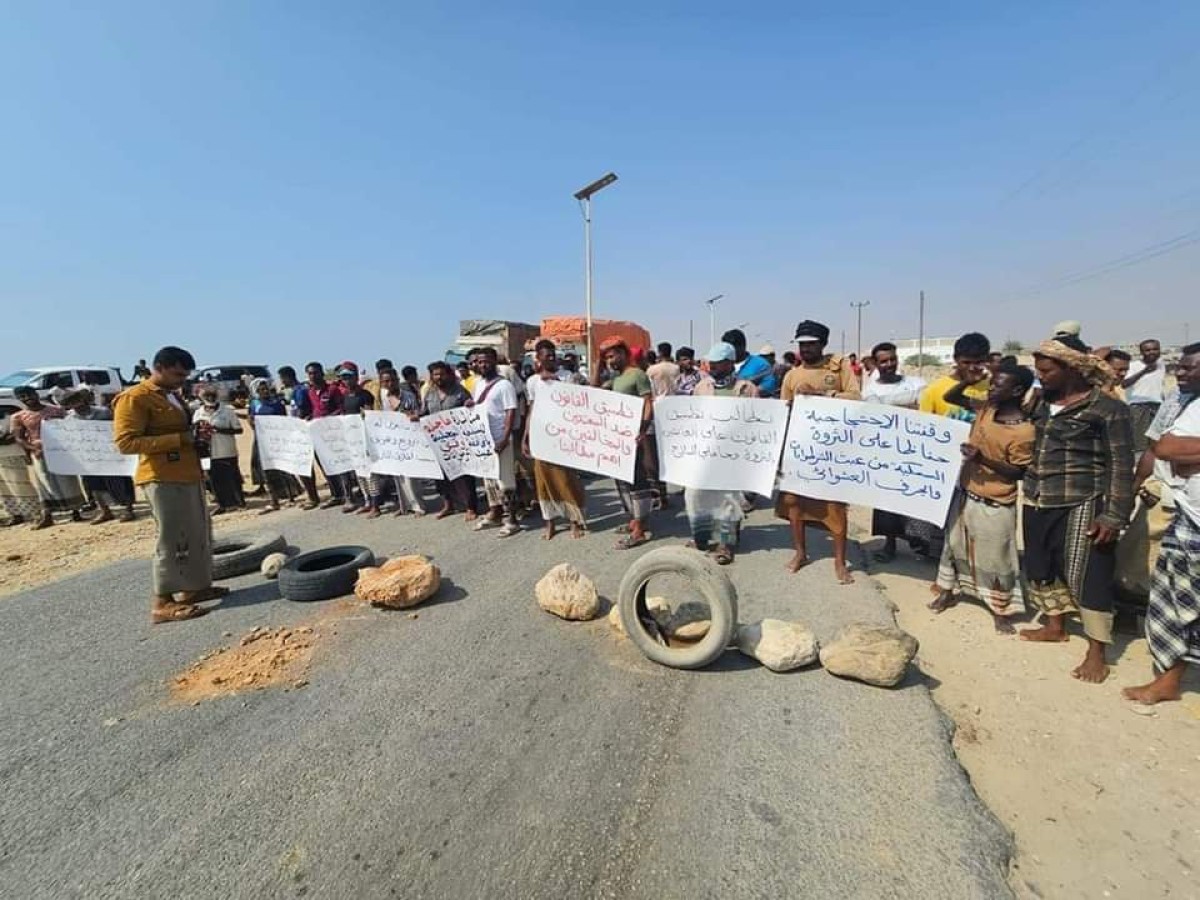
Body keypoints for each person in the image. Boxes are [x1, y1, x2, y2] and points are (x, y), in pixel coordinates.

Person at [1020, 337, 1134, 683]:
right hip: (1039, 495)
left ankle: (1096, 652)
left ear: (1071, 369)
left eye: (1047, 370)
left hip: (1083, 500)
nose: (1040, 377)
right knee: (1042, 565)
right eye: (1038, 370)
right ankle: (1055, 626)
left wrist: (1114, 515)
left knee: (1090, 574)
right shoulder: (1042, 400)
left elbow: (1120, 464)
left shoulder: (1108, 409)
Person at [113, 346, 228, 623]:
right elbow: (126, 443)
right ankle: (162, 602)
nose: (182, 380)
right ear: (160, 367)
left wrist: (197, 439)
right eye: (177, 374)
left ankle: (193, 589)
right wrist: (180, 439)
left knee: (197, 533)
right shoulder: (135, 398)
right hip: (161, 477)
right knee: (172, 539)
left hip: (188, 473)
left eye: (185, 375)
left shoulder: (172, 396)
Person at [930, 363, 1036, 633]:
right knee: (954, 545)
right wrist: (967, 380)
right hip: (966, 491)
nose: (991, 389)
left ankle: (1000, 608)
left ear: (1017, 391)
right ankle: (947, 590)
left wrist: (983, 459)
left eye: (998, 385)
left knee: (997, 555)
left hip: (996, 499)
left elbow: (1019, 471)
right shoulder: (985, 409)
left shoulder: (1023, 430)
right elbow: (951, 398)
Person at [1124, 343, 1200, 704]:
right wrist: (1136, 484)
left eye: (1190, 368)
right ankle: (1169, 676)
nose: (1181, 373)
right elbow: (1165, 448)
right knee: (1171, 594)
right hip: (1183, 509)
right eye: (1179, 367)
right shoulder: (1179, 402)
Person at [777, 320, 860, 584]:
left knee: (835, 506)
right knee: (794, 504)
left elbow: (856, 398)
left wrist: (823, 394)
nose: (807, 349)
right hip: (800, 448)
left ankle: (839, 561)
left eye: (812, 344)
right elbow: (782, 411)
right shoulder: (792, 375)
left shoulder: (839, 367)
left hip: (833, 449)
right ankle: (800, 553)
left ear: (822, 344)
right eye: (803, 345)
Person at [685, 342, 757, 564]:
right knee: (695, 494)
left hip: (733, 453)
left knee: (728, 498)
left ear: (729, 364)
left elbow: (756, 420)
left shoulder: (747, 389)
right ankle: (702, 536)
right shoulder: (702, 387)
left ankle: (725, 544)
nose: (712, 367)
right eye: (711, 363)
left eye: (717, 364)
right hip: (706, 452)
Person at [863, 342, 934, 561]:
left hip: (915, 452)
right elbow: (876, 413)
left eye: (892, 359)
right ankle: (889, 544)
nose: (889, 364)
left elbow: (924, 408)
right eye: (883, 361)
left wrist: (890, 406)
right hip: (885, 453)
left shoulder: (916, 382)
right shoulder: (870, 388)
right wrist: (908, 405)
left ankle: (921, 545)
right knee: (886, 502)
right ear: (875, 363)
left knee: (917, 499)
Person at [522, 340, 588, 539]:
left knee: (565, 479)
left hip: (563, 435)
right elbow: (531, 409)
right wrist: (526, 437)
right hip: (541, 435)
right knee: (543, 482)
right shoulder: (532, 381)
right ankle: (549, 522)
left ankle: (574, 521)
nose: (550, 358)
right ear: (538, 358)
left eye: (553, 355)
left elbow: (576, 403)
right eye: (546, 355)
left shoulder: (567, 377)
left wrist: (554, 382)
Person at [597, 339, 656, 549]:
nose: (609, 361)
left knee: (636, 481)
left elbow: (649, 403)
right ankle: (634, 519)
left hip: (633, 436)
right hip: (617, 438)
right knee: (622, 480)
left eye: (612, 356)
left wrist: (642, 429)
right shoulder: (617, 378)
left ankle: (640, 528)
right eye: (606, 357)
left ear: (623, 353)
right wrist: (598, 363)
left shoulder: (637, 375)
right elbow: (594, 389)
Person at [10, 386, 84, 529]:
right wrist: (33, 449)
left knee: (68, 480)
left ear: (36, 394)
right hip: (39, 453)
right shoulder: (18, 417)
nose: (27, 398)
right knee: (45, 482)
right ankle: (48, 515)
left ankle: (75, 512)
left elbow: (69, 428)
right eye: (22, 397)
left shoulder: (56, 410)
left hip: (60, 451)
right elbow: (19, 439)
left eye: (29, 394)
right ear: (18, 399)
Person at [60, 387, 137, 523]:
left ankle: (128, 509)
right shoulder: (69, 419)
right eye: (71, 402)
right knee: (94, 484)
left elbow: (116, 427)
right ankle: (105, 511)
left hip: (109, 452)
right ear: (68, 405)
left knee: (118, 481)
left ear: (83, 399)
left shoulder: (104, 412)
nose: (76, 404)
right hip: (88, 456)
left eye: (77, 400)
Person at [362, 367, 428, 519]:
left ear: (398, 380)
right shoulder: (380, 398)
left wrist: (412, 416)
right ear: (381, 383)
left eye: (392, 380)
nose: (389, 383)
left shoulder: (408, 395)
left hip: (408, 439)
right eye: (386, 381)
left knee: (411, 476)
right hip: (390, 441)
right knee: (397, 476)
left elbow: (416, 412)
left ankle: (418, 506)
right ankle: (403, 506)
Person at [469, 347, 520, 537]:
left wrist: (504, 439)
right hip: (484, 440)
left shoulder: (504, 386)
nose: (483, 365)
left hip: (500, 439)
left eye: (487, 361)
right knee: (489, 480)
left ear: (494, 362)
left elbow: (510, 412)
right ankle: (495, 513)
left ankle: (512, 520)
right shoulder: (478, 383)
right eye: (480, 362)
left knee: (505, 481)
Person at [193, 385, 245, 514]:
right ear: (202, 398)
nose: (210, 398)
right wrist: (201, 430)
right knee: (214, 479)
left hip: (227, 450)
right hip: (207, 452)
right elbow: (194, 430)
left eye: (213, 396)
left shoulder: (227, 411)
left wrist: (218, 430)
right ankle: (222, 504)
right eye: (207, 396)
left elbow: (239, 429)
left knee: (233, 477)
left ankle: (239, 502)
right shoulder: (198, 413)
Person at [920, 332, 991, 422]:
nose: (972, 368)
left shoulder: (994, 389)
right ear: (955, 359)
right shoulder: (933, 391)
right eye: (966, 363)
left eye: (978, 362)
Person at [337, 362, 374, 514]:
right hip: (352, 440)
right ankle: (366, 500)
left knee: (370, 473)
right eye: (343, 377)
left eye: (349, 377)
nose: (346, 380)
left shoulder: (365, 395)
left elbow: (370, 413)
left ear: (356, 377)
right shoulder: (344, 396)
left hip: (365, 437)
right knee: (359, 472)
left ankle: (375, 502)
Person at [1123, 339, 1165, 454]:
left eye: (1155, 349)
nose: (1152, 352)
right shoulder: (1133, 366)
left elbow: (1160, 387)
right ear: (1141, 352)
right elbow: (1124, 384)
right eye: (1148, 350)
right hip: (1139, 407)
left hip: (1157, 406)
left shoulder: (1161, 366)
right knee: (1139, 442)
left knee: (1157, 441)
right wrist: (1144, 371)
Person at [722, 329, 772, 394]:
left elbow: (769, 386)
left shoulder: (761, 364)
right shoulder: (720, 365)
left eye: (730, 348)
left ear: (742, 346)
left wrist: (749, 389)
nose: (727, 352)